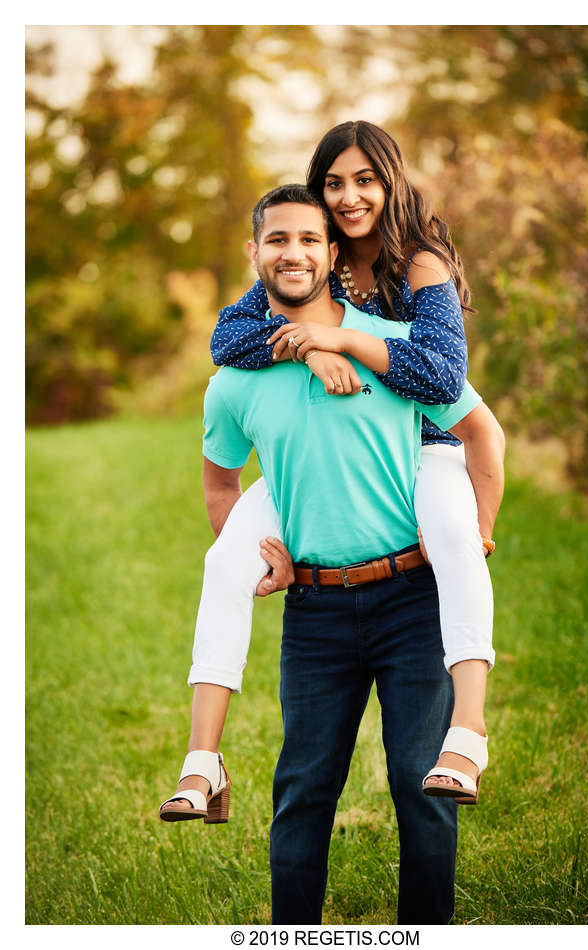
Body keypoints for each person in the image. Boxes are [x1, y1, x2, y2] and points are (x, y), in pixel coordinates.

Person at [159, 121, 504, 824]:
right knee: (224, 561)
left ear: (391, 181)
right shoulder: (319, 249)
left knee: (454, 534)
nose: (348, 198)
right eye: (334, 183)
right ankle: (203, 761)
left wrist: (343, 336)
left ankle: (468, 733)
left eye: (364, 181)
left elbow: (443, 372)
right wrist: (307, 350)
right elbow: (230, 338)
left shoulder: (421, 262)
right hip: (322, 453)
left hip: (423, 447)